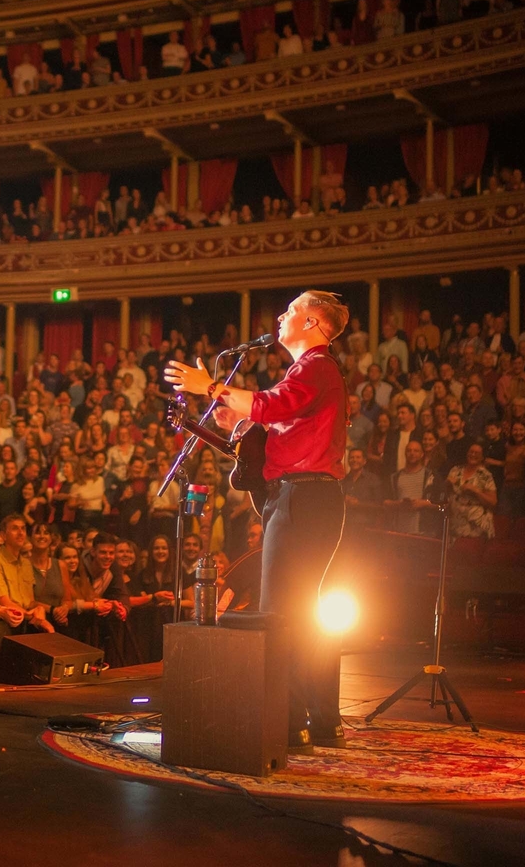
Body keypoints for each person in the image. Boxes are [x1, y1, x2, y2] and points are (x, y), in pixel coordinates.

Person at [166, 290, 350, 753]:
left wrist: (209, 387)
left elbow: (274, 405)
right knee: (302, 615)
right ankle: (321, 720)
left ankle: (288, 724)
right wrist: (235, 421)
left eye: (291, 311)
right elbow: (280, 422)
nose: (282, 316)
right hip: (307, 497)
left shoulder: (315, 367)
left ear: (311, 322)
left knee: (280, 614)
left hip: (303, 497)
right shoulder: (311, 371)